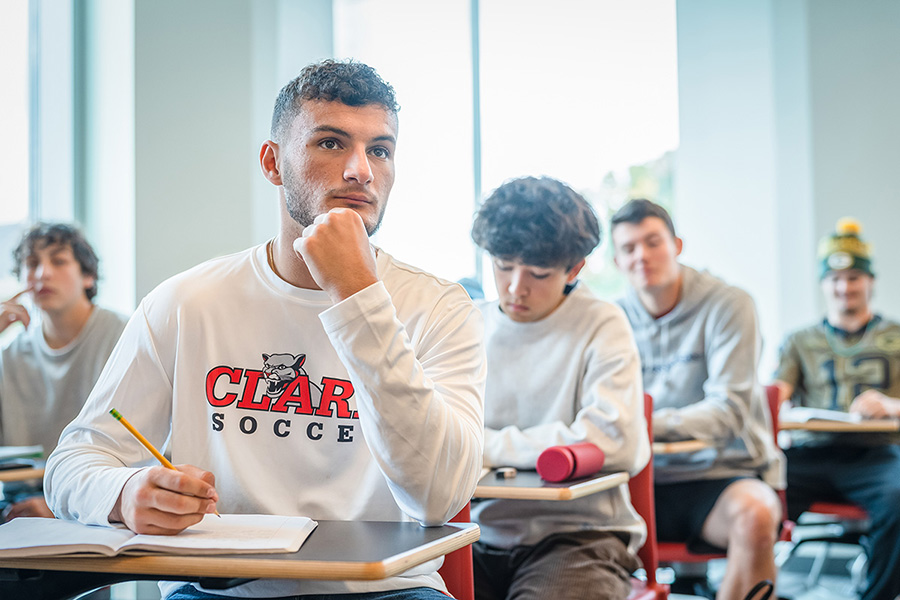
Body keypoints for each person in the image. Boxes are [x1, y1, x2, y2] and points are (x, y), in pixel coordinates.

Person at [45, 59, 486, 600]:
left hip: (389, 591)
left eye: (380, 150)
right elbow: (72, 463)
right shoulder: (186, 302)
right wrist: (123, 490)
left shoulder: (440, 306)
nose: (360, 171)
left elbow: (437, 497)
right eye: (330, 143)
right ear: (272, 163)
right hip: (219, 592)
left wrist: (357, 296)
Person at [469, 177, 649, 600]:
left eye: (538, 273)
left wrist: (485, 446)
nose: (515, 287)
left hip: (580, 534)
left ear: (574, 269)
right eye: (502, 266)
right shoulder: (467, 324)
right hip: (475, 531)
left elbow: (613, 441)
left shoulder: (602, 323)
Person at [610, 199, 782, 600]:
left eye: (653, 242)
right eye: (629, 248)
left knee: (756, 515)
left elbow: (728, 412)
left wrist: (644, 422)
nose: (642, 256)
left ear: (677, 245)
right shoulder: (610, 318)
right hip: (635, 480)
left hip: (720, 475)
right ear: (617, 262)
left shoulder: (729, 303)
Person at [773, 218, 900, 600]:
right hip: (811, 453)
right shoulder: (799, 340)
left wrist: (890, 405)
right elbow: (776, 396)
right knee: (753, 493)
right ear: (824, 284)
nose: (844, 287)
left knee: (899, 497)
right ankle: (755, 587)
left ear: (870, 282)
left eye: (854, 278)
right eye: (835, 279)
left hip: (877, 457)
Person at [0, 222, 127, 521]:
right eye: (32, 264)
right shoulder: (11, 355)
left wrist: (61, 504)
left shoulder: (124, 336)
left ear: (88, 275)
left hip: (103, 500)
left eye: (58, 261)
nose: (42, 273)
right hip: (20, 506)